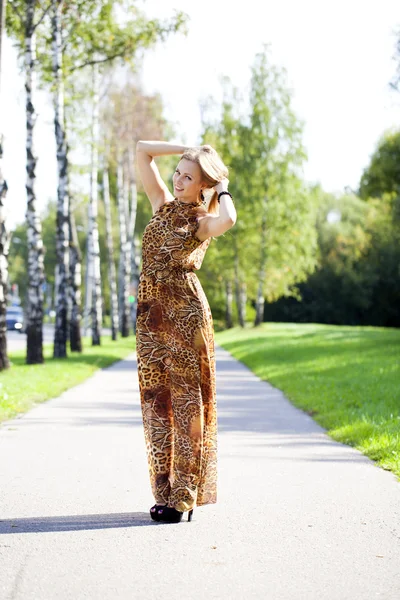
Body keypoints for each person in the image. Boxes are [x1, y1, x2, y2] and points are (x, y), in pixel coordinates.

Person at [135, 140, 237, 523]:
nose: (178, 180)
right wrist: (189, 148)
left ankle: (183, 496)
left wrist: (220, 184)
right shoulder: (161, 204)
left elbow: (228, 220)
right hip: (151, 319)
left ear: (202, 186)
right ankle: (165, 492)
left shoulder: (201, 222)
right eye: (178, 172)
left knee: (186, 404)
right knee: (157, 404)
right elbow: (142, 151)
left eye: (188, 176)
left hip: (185, 315)